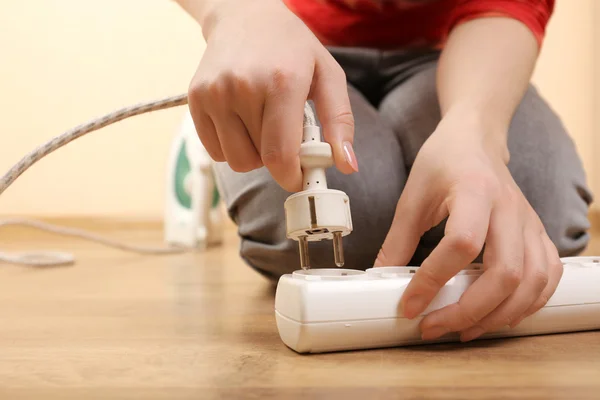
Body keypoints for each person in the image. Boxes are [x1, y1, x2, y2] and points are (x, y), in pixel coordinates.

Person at [173, 0, 593, 342]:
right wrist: (238, 12)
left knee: (535, 222)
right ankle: (234, 107)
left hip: (457, 44)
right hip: (288, 37)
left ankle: (403, 146)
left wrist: (476, 129)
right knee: (335, 236)